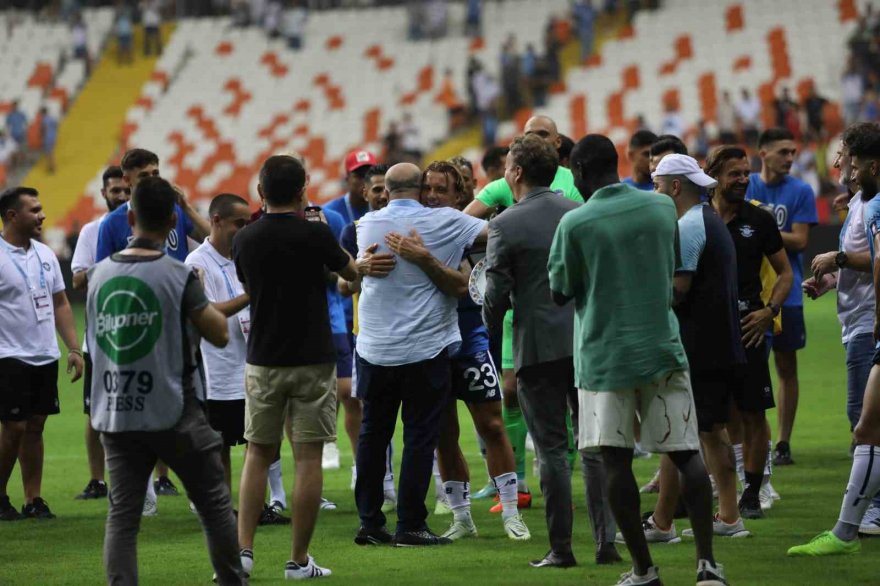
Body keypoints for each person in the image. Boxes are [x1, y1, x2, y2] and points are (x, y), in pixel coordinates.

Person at [548, 134, 727, 586]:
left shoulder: (575, 223)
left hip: (604, 356)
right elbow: (668, 266)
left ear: (583, 173)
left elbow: (559, 290)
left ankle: (644, 569)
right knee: (686, 453)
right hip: (662, 346)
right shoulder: (661, 208)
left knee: (615, 461)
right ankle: (707, 564)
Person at [86, 176, 244, 585]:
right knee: (214, 506)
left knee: (122, 519)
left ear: (131, 216)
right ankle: (232, 579)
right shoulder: (177, 274)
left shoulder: (99, 276)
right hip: (175, 410)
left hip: (117, 412)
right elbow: (219, 333)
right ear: (173, 220)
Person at [483, 134, 621, 567]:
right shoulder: (579, 212)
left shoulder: (505, 224)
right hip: (584, 343)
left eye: (507, 166)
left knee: (551, 453)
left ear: (518, 173)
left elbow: (496, 296)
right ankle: (607, 543)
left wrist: (491, 336)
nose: (505, 172)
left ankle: (562, 548)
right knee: (594, 446)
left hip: (536, 348)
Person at [385, 160, 530, 542]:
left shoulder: (473, 234)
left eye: (441, 189)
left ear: (459, 195)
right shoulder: (406, 230)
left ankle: (512, 511)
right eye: (427, 188)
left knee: (493, 425)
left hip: (470, 341)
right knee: (442, 435)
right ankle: (462, 517)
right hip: (430, 345)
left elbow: (471, 285)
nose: (432, 196)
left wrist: (426, 260)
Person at [233, 155, 357, 579]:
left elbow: (249, 286)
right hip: (313, 357)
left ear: (260, 193)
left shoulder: (244, 239)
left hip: (263, 357)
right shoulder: (317, 235)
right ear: (304, 188)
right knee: (307, 460)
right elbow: (350, 274)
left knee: (257, 454)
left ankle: (242, 552)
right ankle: (298, 560)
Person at [353, 162, 487, 547]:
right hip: (423, 349)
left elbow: (354, 273)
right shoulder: (445, 220)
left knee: (372, 435)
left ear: (388, 189)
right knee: (418, 438)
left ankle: (370, 523)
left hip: (374, 348)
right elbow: (496, 232)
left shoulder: (367, 224)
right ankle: (410, 525)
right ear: (419, 188)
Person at [464, 116, 584, 515]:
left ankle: (560, 474)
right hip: (526, 307)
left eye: (544, 134)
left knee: (569, 401)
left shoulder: (571, 181)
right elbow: (466, 221)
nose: (538, 140)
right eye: (531, 135)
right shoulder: (505, 187)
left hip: (561, 306)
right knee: (512, 391)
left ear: (558, 141)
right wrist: (495, 229)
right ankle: (517, 485)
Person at [645, 154, 750, 544]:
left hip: (700, 347)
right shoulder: (708, 220)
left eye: (657, 185)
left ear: (674, 187)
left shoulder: (689, 225)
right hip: (717, 343)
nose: (654, 192)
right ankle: (700, 516)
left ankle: (692, 519)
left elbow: (680, 288)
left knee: (693, 433)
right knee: (699, 432)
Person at [97, 148, 210, 508]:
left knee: (189, 406)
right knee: (142, 410)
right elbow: (106, 276)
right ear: (126, 179)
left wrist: (187, 205)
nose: (152, 179)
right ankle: (140, 495)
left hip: (180, 325)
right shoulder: (114, 223)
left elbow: (211, 238)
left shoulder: (173, 212)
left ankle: (197, 492)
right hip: (142, 327)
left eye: (156, 172)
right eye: (144, 175)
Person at [787, 121, 880, 557]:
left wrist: (838, 255)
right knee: (863, 417)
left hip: (869, 323)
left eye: (853, 160)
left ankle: (873, 510)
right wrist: (832, 279)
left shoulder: (875, 204)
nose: (845, 166)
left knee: (863, 418)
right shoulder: (861, 202)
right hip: (856, 320)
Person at [706, 145, 793, 520]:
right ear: (715, 176)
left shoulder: (758, 220)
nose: (743, 180)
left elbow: (785, 274)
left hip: (748, 328)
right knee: (716, 418)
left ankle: (752, 493)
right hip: (707, 330)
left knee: (754, 413)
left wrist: (769, 310)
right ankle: (722, 490)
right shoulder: (697, 217)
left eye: (745, 173)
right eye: (734, 174)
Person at [0, 187, 84, 521]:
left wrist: (73, 348)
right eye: (34, 210)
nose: (42, 215)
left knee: (35, 426)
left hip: (44, 354)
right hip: (8, 354)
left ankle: (33, 499)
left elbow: (61, 303)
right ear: (12, 216)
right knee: (14, 428)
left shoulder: (45, 254)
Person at [746, 128, 818, 468]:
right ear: (763, 153)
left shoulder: (801, 190)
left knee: (787, 367)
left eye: (793, 152)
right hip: (752, 293)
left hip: (786, 294)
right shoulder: (746, 185)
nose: (790, 158)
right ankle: (757, 440)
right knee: (753, 368)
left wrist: (759, 228)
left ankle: (784, 441)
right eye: (783, 152)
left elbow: (802, 241)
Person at [70, 166, 130, 500]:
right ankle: (97, 479)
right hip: (101, 336)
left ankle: (160, 478)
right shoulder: (92, 231)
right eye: (114, 191)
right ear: (103, 193)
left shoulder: (145, 226)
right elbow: (78, 280)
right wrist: (112, 265)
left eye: (125, 190)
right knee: (95, 412)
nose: (120, 196)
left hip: (138, 333)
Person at [324, 149, 379, 227]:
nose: (365, 181)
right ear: (347, 178)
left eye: (369, 175)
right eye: (359, 176)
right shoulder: (329, 212)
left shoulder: (383, 208)